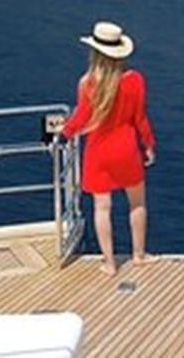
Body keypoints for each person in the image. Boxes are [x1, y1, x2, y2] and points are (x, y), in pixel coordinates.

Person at [59, 21, 156, 275]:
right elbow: (140, 119)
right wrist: (148, 145)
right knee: (137, 204)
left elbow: (81, 116)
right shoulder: (134, 80)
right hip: (126, 149)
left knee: (102, 208)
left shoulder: (88, 83)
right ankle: (139, 255)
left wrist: (64, 134)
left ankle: (110, 263)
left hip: (99, 150)